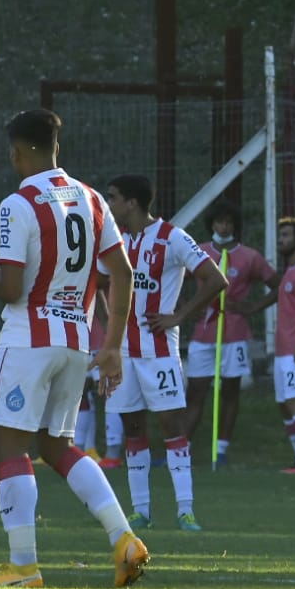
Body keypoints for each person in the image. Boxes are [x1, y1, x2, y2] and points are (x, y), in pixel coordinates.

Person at [0, 108, 148, 589]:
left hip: (28, 339)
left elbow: (10, 287)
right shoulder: (91, 199)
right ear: (56, 149)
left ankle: (23, 566)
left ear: (16, 152)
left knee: (11, 445)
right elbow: (122, 274)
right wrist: (112, 347)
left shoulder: (17, 204)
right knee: (57, 445)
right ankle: (124, 537)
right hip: (75, 341)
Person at [104, 174, 227, 532]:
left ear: (132, 203)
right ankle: (140, 511)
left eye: (113, 198)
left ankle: (185, 510)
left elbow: (216, 279)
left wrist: (179, 315)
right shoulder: (116, 240)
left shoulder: (172, 237)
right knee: (133, 428)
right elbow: (97, 283)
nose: (109, 205)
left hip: (159, 353)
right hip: (123, 353)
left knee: (172, 426)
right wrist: (109, 325)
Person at [186, 201, 278, 468]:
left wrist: (252, 307)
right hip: (203, 334)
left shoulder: (250, 257)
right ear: (211, 224)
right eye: (219, 222)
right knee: (196, 391)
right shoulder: (199, 252)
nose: (223, 226)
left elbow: (277, 285)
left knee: (230, 391)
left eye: (228, 222)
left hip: (235, 334)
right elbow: (176, 278)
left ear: (235, 226)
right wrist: (185, 309)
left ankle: (222, 449)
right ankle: (183, 450)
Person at [246, 216, 295, 474]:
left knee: (294, 401)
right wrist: (249, 309)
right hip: (284, 350)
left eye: (285, 236)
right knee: (284, 404)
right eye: (281, 236)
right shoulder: (290, 271)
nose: (281, 241)